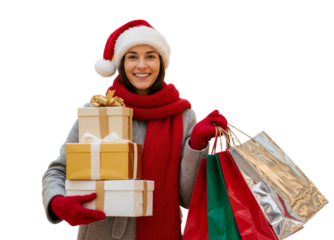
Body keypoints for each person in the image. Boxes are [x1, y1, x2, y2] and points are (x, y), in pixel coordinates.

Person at [41, 17, 228, 240]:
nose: (141, 65)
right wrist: (59, 203)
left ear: (161, 63)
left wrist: (196, 145)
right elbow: (57, 170)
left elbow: (188, 199)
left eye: (150, 56)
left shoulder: (183, 115)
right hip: (102, 234)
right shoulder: (99, 110)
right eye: (132, 57)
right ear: (120, 63)